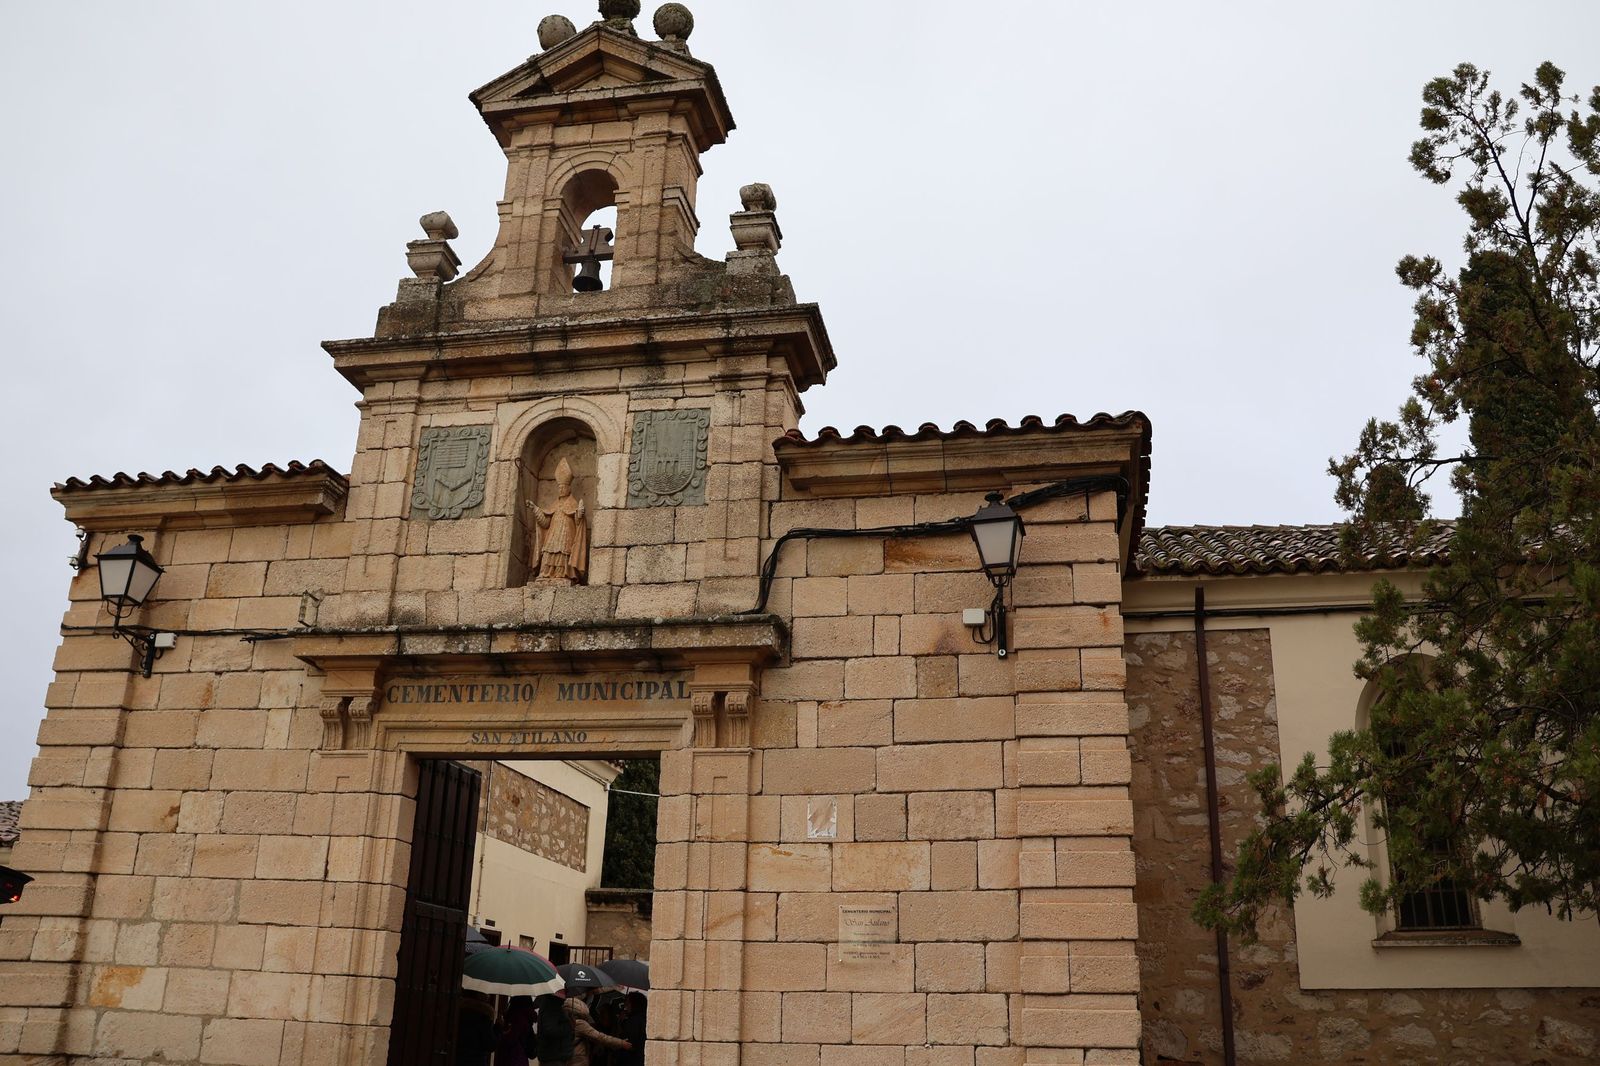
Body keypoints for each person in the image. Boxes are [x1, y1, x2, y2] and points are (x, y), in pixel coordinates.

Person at [564, 989, 630, 1066]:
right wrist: (621, 1043)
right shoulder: (579, 1024)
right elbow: (600, 1037)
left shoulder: (563, 1021)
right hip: (577, 1061)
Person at [533, 993, 574, 1066]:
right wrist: (568, 1025)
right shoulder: (551, 1006)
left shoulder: (554, 1005)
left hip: (556, 1055)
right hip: (553, 1057)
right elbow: (550, 1030)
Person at [494, 996, 536, 1066]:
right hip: (521, 1058)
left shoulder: (516, 1017)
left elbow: (509, 1039)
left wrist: (499, 1028)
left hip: (512, 1058)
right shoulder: (525, 1016)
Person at [614, 992, 647, 1066]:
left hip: (631, 1059)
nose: (626, 1005)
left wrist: (620, 1023)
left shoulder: (634, 1020)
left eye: (628, 1002)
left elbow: (629, 1042)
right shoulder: (643, 1018)